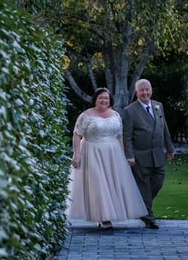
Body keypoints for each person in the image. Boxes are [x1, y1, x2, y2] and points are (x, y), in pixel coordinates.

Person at [67, 87, 148, 229]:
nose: (104, 100)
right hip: (91, 152)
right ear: (95, 100)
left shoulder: (116, 115)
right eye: (101, 98)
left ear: (110, 100)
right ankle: (103, 218)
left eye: (106, 98)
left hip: (112, 153)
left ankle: (110, 215)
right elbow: (77, 134)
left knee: (111, 184)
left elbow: (120, 136)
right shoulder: (85, 115)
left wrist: (123, 156)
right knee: (98, 184)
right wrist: (77, 154)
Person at [120, 79, 175, 229]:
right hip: (139, 156)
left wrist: (169, 148)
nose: (145, 93)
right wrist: (129, 155)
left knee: (158, 181)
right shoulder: (129, 111)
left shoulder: (158, 106)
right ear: (136, 93)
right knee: (143, 186)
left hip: (157, 154)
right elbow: (127, 136)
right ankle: (149, 217)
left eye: (147, 89)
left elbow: (164, 129)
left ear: (151, 90)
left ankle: (139, 204)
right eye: (141, 90)